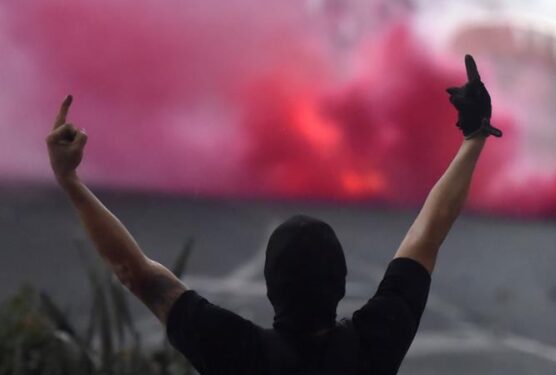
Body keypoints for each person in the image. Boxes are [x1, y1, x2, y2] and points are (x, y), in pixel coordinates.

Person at [46, 55, 501, 374]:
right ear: (342, 284)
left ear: (268, 287)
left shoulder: (233, 351)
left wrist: (70, 181)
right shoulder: (375, 344)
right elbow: (428, 235)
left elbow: (136, 273)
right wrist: (474, 135)